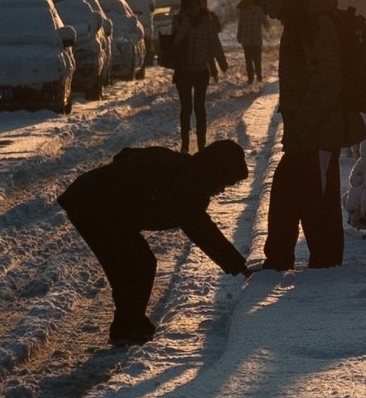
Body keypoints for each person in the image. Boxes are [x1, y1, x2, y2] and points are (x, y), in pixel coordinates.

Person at [57, 140, 254, 346]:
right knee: (138, 263)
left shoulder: (182, 167)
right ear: (216, 171)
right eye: (224, 182)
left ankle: (129, 325)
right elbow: (203, 233)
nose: (222, 189)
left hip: (98, 203)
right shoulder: (187, 185)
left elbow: (126, 153)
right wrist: (238, 266)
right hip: (92, 205)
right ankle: (128, 328)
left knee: (130, 265)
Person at [237, 0, 366, 271]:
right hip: (306, 132)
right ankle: (279, 258)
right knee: (286, 194)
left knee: (319, 205)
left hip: (319, 132)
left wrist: (303, 122)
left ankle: (324, 267)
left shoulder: (312, 22)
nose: (265, 11)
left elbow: (326, 80)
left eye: (265, 2)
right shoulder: (300, 20)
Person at [171, 0, 227, 153]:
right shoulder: (178, 20)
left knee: (199, 107)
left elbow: (214, 42)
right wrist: (185, 25)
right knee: (186, 108)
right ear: (185, 7)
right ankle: (185, 144)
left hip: (201, 70)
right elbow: (175, 41)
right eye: (190, 6)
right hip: (183, 71)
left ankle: (201, 143)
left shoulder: (206, 20)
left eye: (196, 5)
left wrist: (222, 63)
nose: (194, 9)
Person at [236, 3, 268, 83]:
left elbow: (265, 21)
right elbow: (241, 23)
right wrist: (239, 35)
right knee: (251, 60)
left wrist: (271, 30)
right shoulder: (245, 9)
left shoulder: (258, 9)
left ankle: (257, 76)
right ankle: (253, 77)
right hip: (249, 40)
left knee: (254, 60)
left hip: (254, 39)